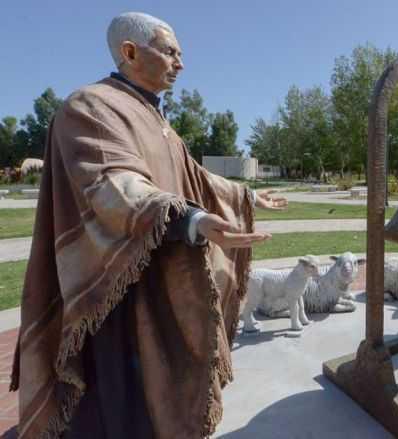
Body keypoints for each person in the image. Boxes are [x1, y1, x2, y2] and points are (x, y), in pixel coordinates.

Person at [10, 12, 286, 438]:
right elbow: (113, 185)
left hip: (160, 277)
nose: (181, 63)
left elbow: (194, 176)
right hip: (110, 289)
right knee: (118, 403)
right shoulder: (89, 106)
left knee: (159, 393)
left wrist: (247, 196)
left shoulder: (160, 123)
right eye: (172, 51)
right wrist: (189, 217)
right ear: (130, 52)